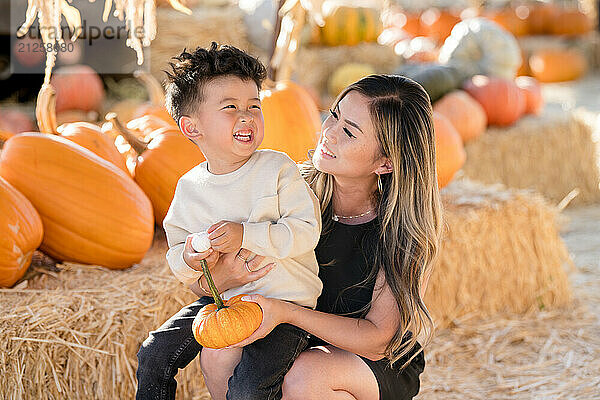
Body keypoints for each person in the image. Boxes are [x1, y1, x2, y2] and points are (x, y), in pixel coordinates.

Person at [200, 74, 443, 400]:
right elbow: (201, 282)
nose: (328, 131)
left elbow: (378, 340)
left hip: (371, 360)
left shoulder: (403, 232)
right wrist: (224, 273)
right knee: (219, 352)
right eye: (334, 114)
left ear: (385, 162)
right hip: (293, 337)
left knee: (307, 374)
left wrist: (285, 312)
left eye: (349, 132)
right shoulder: (289, 192)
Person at [135, 42, 323, 400]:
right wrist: (190, 257)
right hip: (223, 301)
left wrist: (245, 235)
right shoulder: (190, 188)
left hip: (284, 308)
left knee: (249, 388)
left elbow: (305, 231)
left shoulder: (277, 168)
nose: (247, 116)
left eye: (255, 106)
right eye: (231, 108)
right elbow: (177, 253)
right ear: (192, 127)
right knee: (154, 353)